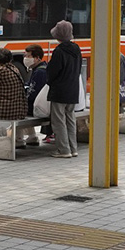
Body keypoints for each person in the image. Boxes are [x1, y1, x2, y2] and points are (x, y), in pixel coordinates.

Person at [46, 20, 82, 159]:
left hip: (60, 90)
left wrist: (50, 82)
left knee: (59, 121)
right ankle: (73, 148)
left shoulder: (59, 51)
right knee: (70, 119)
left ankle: (63, 150)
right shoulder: (76, 49)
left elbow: (53, 71)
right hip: (73, 89)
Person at [18, 44, 48, 147]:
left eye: (28, 56)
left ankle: (18, 139)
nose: (25, 59)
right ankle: (32, 136)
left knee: (17, 109)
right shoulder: (41, 68)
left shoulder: (40, 72)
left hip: (39, 107)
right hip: (42, 105)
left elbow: (33, 94)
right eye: (25, 56)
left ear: (37, 58)